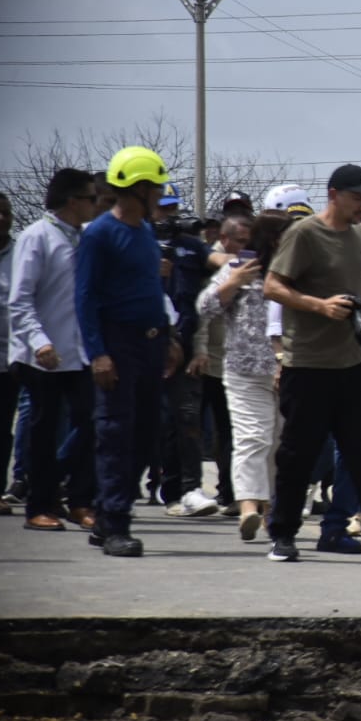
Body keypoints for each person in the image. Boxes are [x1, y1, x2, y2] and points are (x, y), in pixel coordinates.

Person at [261, 163, 361, 564]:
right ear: (334, 195)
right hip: (308, 364)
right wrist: (318, 305)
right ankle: (282, 533)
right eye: (356, 198)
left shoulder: (359, 239)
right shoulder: (304, 234)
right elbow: (273, 286)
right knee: (299, 454)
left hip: (352, 362)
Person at [76, 146, 180, 557]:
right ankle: (116, 525)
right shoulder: (100, 233)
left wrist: (169, 337)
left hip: (151, 342)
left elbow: (152, 290)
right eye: (155, 188)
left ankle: (106, 515)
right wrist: (98, 353)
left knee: (147, 434)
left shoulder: (146, 233)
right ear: (137, 188)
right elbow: (84, 297)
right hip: (117, 344)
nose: (160, 194)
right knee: (115, 434)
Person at [8, 168, 99, 531]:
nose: (97, 205)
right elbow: (20, 300)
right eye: (92, 198)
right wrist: (39, 341)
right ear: (72, 201)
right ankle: (39, 505)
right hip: (42, 353)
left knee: (92, 422)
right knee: (44, 431)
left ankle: (79, 500)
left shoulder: (86, 238)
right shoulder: (37, 237)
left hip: (80, 352)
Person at [197, 213, 290, 542]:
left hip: (287, 370)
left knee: (279, 447)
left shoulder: (296, 271)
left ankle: (272, 509)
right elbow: (205, 307)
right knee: (253, 438)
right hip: (243, 372)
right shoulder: (239, 267)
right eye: (283, 234)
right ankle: (250, 506)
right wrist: (232, 284)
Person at [153, 187, 217, 518]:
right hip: (146, 346)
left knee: (188, 420)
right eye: (163, 208)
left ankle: (188, 489)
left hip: (187, 348)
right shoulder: (136, 243)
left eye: (173, 207)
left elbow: (209, 293)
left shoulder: (193, 247)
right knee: (154, 424)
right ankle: (163, 489)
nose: (169, 215)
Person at [192, 214, 251, 514]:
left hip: (238, 362)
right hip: (210, 361)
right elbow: (204, 312)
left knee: (231, 432)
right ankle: (188, 489)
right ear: (224, 239)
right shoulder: (212, 264)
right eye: (239, 241)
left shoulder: (249, 264)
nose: (244, 246)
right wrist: (200, 350)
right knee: (203, 429)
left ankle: (231, 493)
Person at [0, 191, 18, 517]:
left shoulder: (21, 250)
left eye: (5, 213)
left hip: (9, 358)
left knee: (0, 428)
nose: (0, 219)